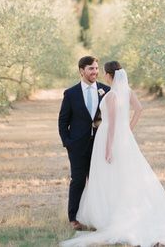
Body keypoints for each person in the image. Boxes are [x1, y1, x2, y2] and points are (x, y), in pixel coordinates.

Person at [61, 61, 165, 247]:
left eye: (101, 71)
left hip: (109, 138)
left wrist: (108, 147)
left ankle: (110, 214)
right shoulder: (126, 91)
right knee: (121, 176)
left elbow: (112, 123)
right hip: (120, 139)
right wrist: (128, 130)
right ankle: (106, 212)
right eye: (92, 69)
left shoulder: (112, 94)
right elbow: (139, 110)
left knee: (108, 177)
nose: (99, 73)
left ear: (108, 74)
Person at [58, 56, 112, 230]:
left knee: (98, 181)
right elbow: (63, 121)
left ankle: (99, 217)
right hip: (77, 146)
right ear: (81, 71)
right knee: (78, 180)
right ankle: (73, 218)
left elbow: (111, 118)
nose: (95, 72)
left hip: (99, 145)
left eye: (96, 68)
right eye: (91, 69)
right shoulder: (71, 93)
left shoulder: (106, 90)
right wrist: (68, 142)